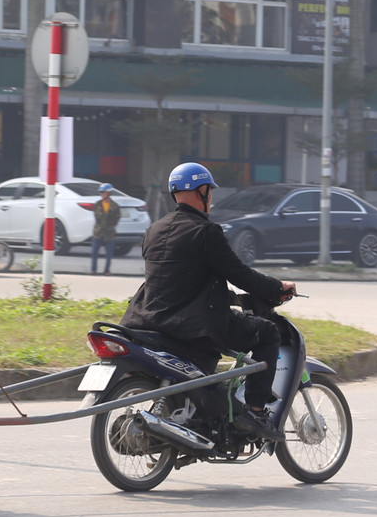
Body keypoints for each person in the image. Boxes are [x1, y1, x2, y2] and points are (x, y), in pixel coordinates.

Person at [119, 162, 297, 441]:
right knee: (267, 332)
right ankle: (256, 409)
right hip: (192, 325)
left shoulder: (154, 229)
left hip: (147, 319)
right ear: (202, 191)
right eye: (210, 192)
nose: (211, 198)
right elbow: (240, 274)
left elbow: (180, 278)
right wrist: (277, 289)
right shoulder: (206, 231)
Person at [90, 183, 121, 274]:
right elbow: (97, 217)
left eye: (103, 192)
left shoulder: (115, 206)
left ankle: (106, 270)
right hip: (98, 233)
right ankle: (93, 270)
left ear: (109, 193)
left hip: (110, 234)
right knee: (94, 253)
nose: (102, 194)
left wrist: (110, 226)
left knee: (109, 254)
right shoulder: (97, 204)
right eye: (101, 192)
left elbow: (117, 218)